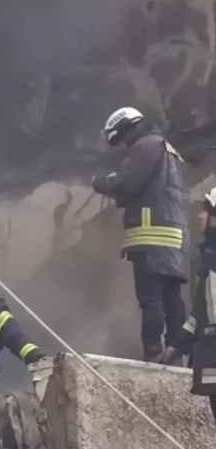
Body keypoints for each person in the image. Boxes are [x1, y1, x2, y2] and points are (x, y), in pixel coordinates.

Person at [91, 106, 189, 361]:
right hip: (174, 237)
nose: (123, 146)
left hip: (150, 236)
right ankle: (176, 353)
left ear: (127, 128)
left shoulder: (145, 146)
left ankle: (154, 354)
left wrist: (100, 181)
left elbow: (126, 182)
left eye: (121, 139)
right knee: (171, 298)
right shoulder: (169, 150)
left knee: (151, 298)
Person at [161, 186, 216, 427]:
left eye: (207, 211)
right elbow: (201, 313)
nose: (200, 216)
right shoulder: (208, 258)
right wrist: (178, 344)